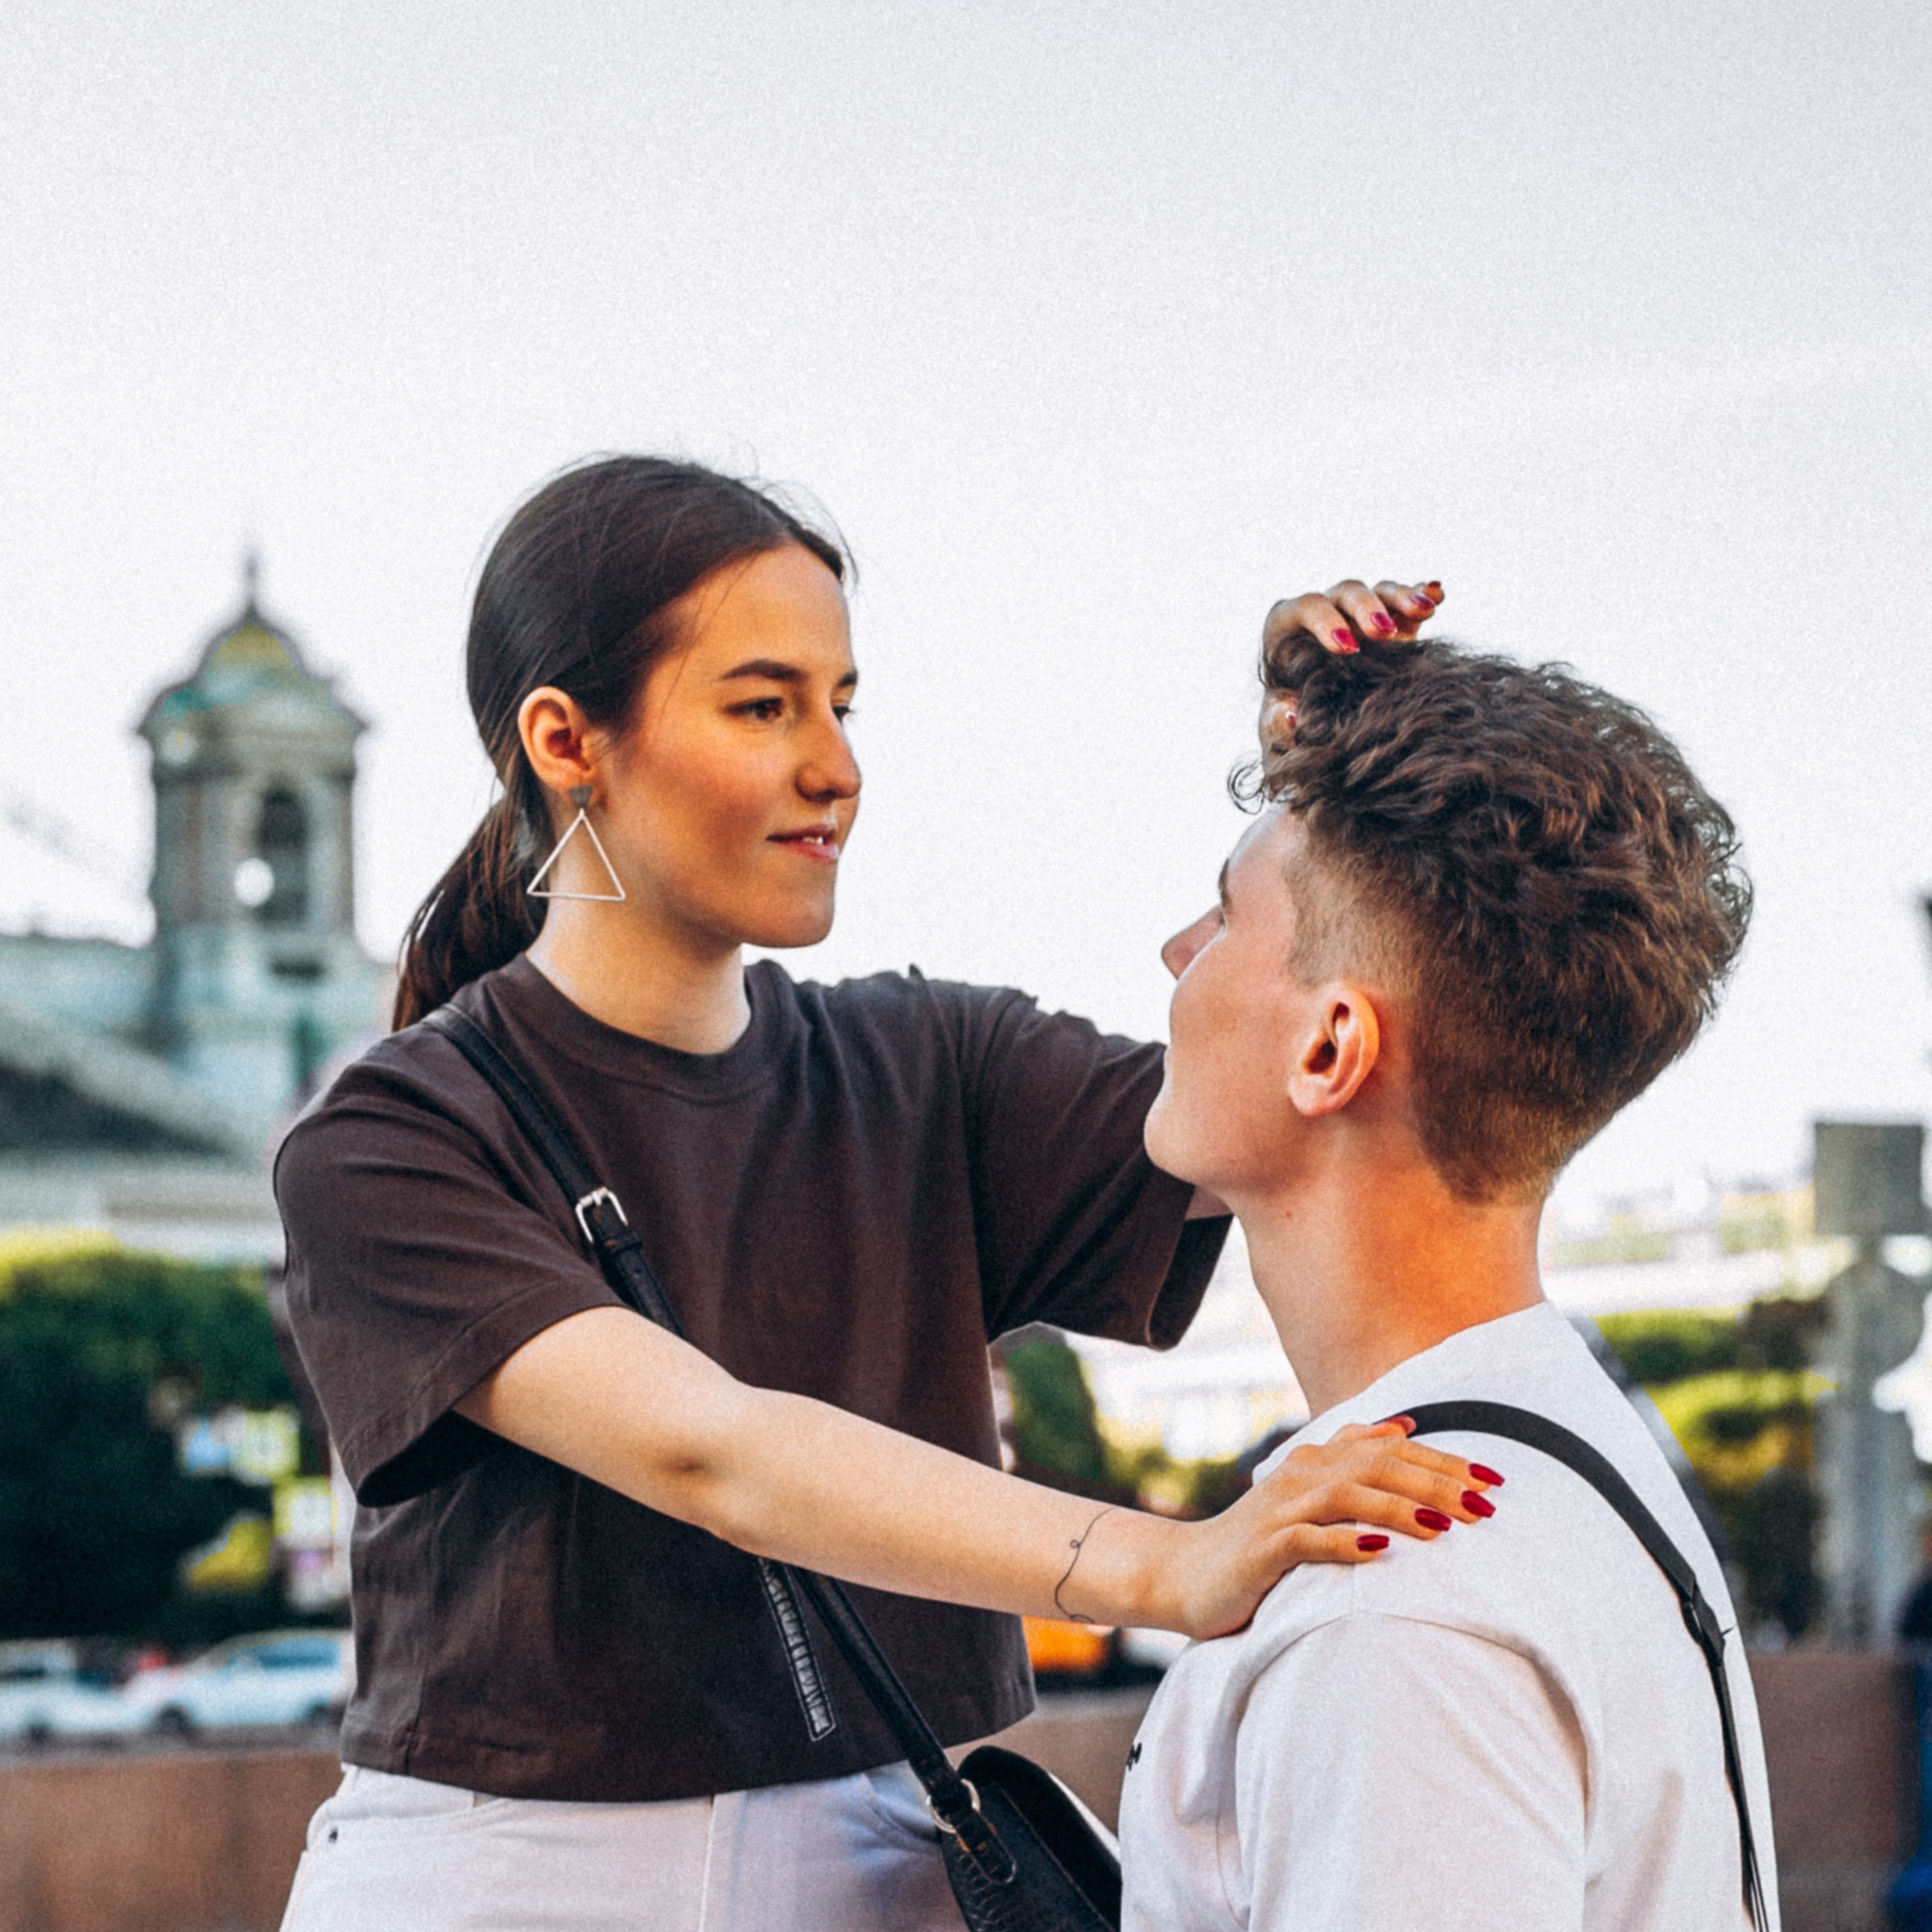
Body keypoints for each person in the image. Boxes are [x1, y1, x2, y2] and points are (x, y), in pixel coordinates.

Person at [273, 457, 1492, 1932]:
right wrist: (1178, 1563)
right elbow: (712, 1456)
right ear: (565, 740)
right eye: (762, 704)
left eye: (841, 704)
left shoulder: (935, 1064)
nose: (834, 764)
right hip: (508, 1883)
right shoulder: (393, 1135)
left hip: (901, 1863)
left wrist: (1332, 785)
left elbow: (1295, 1069)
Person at [1119, 605, 1778, 1930]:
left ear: (1330, 1050)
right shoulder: (1564, 1445)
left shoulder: (1400, 1604)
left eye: (1226, 916)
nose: (1177, 956)